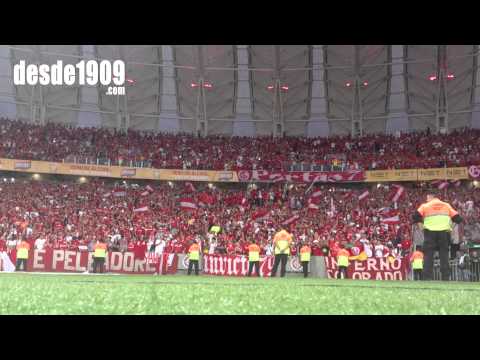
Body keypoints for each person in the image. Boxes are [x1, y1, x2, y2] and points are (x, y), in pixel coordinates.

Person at [412, 192, 463, 281]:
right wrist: (450, 227)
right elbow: (458, 218)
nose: (427, 200)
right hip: (444, 233)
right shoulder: (446, 205)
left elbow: (415, 217)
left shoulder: (425, 206)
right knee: (444, 255)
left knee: (428, 255)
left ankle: (427, 278)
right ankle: (445, 277)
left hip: (429, 233)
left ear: (431, 197)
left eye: (427, 198)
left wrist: (422, 228)